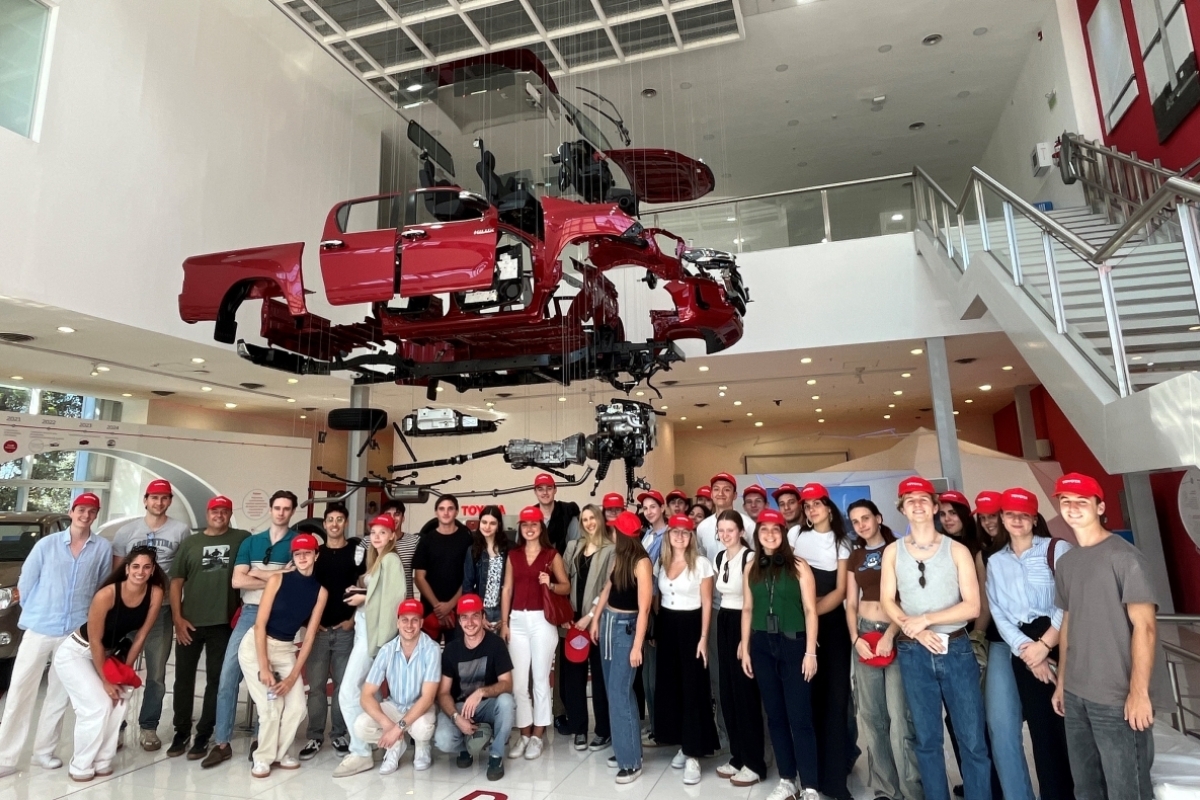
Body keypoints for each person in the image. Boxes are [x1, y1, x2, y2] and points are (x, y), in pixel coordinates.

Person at [1051, 472, 1167, 800]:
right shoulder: (1068, 562)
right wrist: (1062, 682)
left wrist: (1139, 693)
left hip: (1116, 697)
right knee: (1086, 788)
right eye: (1066, 502)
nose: (1073, 508)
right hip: (1076, 694)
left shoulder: (1125, 558)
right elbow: (1069, 622)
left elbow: (1145, 627)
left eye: (1081, 502)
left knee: (1126, 790)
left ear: (1100, 507)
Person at [881, 476, 991, 800]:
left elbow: (972, 606)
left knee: (972, 740)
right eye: (909, 499)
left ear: (934, 506)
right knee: (927, 741)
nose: (916, 503)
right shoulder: (892, 552)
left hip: (956, 649)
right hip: (914, 653)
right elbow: (889, 599)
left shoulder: (957, 551)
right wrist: (914, 628)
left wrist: (926, 619)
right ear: (902, 508)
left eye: (923, 498)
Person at [0, 492, 112, 778]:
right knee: (20, 691)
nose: (85, 515)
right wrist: (39, 609)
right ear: (72, 511)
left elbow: (100, 586)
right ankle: (6, 757)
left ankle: (43, 752)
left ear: (96, 515)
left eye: (91, 511)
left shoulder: (102, 548)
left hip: (74, 632)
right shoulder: (46, 545)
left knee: (59, 694)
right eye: (81, 510)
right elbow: (26, 581)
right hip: (40, 627)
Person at [986, 488, 1074, 800]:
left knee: (1070, 726)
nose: (1017, 520)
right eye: (1011, 514)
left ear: (1034, 518)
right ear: (1002, 518)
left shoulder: (1056, 548)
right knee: (1041, 729)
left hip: (1059, 638)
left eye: (1024, 515)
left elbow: (1068, 600)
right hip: (1023, 648)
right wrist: (1028, 652)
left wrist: (1045, 646)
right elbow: (998, 611)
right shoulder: (995, 562)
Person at [203, 489, 299, 768]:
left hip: (278, 618)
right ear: (270, 509)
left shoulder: (297, 543)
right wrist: (277, 577)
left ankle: (262, 740)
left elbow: (293, 587)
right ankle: (222, 743)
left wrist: (257, 573)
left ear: (292, 512)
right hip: (249, 614)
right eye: (277, 507)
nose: (281, 512)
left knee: (268, 680)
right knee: (227, 677)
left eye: (286, 508)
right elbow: (237, 581)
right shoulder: (251, 541)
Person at [54, 546, 166, 781]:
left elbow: (142, 636)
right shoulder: (107, 594)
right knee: (97, 706)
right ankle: (80, 765)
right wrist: (106, 680)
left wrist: (124, 672)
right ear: (126, 569)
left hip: (110, 655)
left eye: (146, 567)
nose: (140, 571)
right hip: (77, 652)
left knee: (119, 701)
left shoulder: (155, 593)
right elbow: (95, 640)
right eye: (135, 566)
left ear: (153, 569)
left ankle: (103, 760)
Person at [740, 508, 821, 800]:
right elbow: (747, 608)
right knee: (774, 716)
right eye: (764, 531)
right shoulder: (752, 567)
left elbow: (811, 611)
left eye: (776, 530)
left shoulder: (798, 565)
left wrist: (810, 652)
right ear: (757, 535)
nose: (770, 535)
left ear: (783, 533)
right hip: (762, 645)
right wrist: (744, 645)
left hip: (794, 644)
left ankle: (809, 784)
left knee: (800, 716)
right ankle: (788, 779)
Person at [846, 499, 922, 800]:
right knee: (872, 716)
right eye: (855, 521)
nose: (862, 524)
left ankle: (911, 790)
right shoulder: (856, 556)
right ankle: (885, 789)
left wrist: (892, 632)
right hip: (864, 635)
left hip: (897, 635)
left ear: (878, 518)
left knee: (899, 717)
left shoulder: (899, 550)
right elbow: (851, 602)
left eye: (866, 518)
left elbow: (908, 598)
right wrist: (855, 638)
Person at [110, 478, 192, 751]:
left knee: (156, 674)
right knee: (121, 669)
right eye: (154, 497)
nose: (159, 502)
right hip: (130, 612)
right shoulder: (126, 531)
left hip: (163, 612)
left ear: (169, 501)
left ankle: (148, 727)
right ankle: (116, 727)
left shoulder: (181, 531)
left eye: (164, 498)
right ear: (145, 500)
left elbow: (182, 573)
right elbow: (117, 572)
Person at [237, 533, 327, 778]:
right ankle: (263, 758)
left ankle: (279, 753)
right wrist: (264, 666)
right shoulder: (278, 580)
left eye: (307, 553)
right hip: (257, 648)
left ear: (316, 555)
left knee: (297, 707)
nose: (302, 558)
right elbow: (259, 625)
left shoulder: (320, 592)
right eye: (298, 554)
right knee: (271, 707)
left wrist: (292, 677)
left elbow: (308, 637)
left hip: (286, 650)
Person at [167, 496, 250, 760]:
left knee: (217, 680)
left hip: (224, 624)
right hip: (189, 623)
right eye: (215, 510)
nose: (220, 515)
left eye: (225, 511)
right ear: (208, 513)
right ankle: (181, 731)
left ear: (230, 514)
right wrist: (177, 619)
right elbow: (176, 583)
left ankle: (204, 733)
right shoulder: (191, 542)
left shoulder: (241, 538)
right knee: (183, 679)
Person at [789, 483, 853, 800]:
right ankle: (810, 775)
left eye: (818, 504)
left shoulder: (842, 542)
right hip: (802, 630)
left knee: (835, 702)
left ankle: (835, 779)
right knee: (809, 701)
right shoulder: (796, 538)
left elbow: (840, 591)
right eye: (808, 505)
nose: (812, 509)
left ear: (829, 508)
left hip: (832, 628)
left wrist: (811, 612)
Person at [333, 514, 408, 777]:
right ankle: (380, 742)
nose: (376, 536)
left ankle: (360, 751)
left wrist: (361, 597)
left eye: (382, 532)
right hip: (365, 631)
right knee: (372, 695)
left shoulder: (390, 560)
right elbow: (378, 594)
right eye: (373, 532)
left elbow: (392, 602)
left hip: (373, 636)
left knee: (348, 691)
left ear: (392, 535)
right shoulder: (378, 560)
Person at [654, 514, 719, 785]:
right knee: (672, 687)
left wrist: (704, 637)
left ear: (691, 536)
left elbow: (706, 603)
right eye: (675, 532)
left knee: (694, 688)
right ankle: (682, 742)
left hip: (692, 626)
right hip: (667, 626)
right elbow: (658, 599)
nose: (680, 536)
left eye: (685, 532)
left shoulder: (702, 564)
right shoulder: (662, 561)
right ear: (668, 535)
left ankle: (694, 753)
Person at [501, 506, 569, 760]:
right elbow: (507, 590)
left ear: (541, 528)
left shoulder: (552, 555)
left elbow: (566, 587)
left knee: (540, 680)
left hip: (542, 621)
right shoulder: (514, 555)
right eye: (525, 525)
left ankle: (538, 734)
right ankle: (524, 733)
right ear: (520, 528)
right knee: (519, 683)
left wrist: (549, 583)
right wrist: (505, 623)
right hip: (517, 620)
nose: (529, 529)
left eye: (534, 525)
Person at [590, 511, 653, 784]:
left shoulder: (641, 563)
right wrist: (595, 619)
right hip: (608, 623)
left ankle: (631, 761)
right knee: (614, 691)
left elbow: (645, 608)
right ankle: (625, 747)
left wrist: (637, 645)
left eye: (615, 531)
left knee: (619, 692)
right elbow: (607, 589)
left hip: (626, 629)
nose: (612, 534)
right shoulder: (619, 558)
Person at [299, 503, 363, 761]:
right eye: (330, 520)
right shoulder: (316, 554)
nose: (334, 524)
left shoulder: (356, 553)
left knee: (342, 686)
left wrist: (352, 621)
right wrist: (308, 623)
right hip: (318, 632)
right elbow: (303, 589)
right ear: (323, 525)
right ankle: (314, 736)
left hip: (345, 630)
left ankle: (339, 733)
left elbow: (362, 588)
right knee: (315, 687)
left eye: (339, 519)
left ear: (345, 523)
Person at [696, 472, 752, 753]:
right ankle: (727, 738)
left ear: (734, 494)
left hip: (744, 613)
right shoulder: (704, 528)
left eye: (726, 489)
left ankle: (752, 746)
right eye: (715, 488)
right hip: (718, 612)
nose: (720, 493)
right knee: (721, 679)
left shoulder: (750, 525)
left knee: (745, 680)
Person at [352, 598, 441, 775]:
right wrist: (387, 725)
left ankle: (422, 746)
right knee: (361, 725)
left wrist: (397, 727)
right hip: (395, 705)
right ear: (398, 622)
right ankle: (395, 745)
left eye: (415, 620)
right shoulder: (387, 650)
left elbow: (428, 698)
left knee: (423, 729)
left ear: (421, 622)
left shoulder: (432, 649)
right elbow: (366, 695)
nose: (409, 625)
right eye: (405, 620)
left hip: (420, 708)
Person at [434, 593, 516, 782]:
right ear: (459, 620)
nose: (470, 622)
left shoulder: (496, 644)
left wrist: (481, 692)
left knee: (506, 702)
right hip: (461, 708)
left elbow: (507, 683)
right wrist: (456, 718)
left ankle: (496, 756)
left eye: (475, 615)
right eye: (464, 617)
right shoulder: (451, 650)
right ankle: (466, 748)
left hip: (486, 706)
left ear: (483, 617)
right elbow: (443, 692)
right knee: (443, 740)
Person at [712, 510, 765, 787]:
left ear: (742, 532)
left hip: (745, 625)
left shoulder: (750, 557)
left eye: (730, 530)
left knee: (745, 695)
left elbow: (752, 601)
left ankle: (754, 762)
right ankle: (737, 756)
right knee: (728, 692)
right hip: (724, 621)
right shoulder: (720, 557)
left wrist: (745, 641)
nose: (725, 535)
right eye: (721, 530)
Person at [562, 503, 614, 750]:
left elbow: (608, 586)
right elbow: (562, 581)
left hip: (597, 622)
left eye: (592, 518)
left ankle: (603, 730)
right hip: (572, 622)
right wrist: (564, 613)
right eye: (584, 519)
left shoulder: (610, 550)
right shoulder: (573, 548)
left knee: (600, 679)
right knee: (573, 678)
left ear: (600, 520)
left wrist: (591, 616)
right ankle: (579, 728)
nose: (589, 523)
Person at [413, 495, 473, 642]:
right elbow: (419, 577)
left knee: (456, 658)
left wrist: (450, 606)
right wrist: (438, 608)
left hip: (459, 611)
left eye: (450, 508)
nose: (446, 513)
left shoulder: (466, 539)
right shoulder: (426, 540)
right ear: (436, 512)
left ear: (457, 512)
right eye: (441, 509)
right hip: (430, 610)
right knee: (428, 658)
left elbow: (469, 577)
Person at [637, 489, 669, 744]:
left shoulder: (668, 536)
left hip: (659, 608)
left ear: (662, 508)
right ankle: (656, 726)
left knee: (657, 675)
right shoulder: (647, 535)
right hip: (644, 607)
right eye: (645, 508)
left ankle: (661, 728)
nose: (649, 511)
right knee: (648, 674)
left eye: (653, 507)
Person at [462, 506, 510, 629]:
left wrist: (507, 617)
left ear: (498, 525)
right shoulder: (473, 550)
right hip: (482, 611)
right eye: (484, 522)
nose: (487, 527)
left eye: (492, 523)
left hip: (504, 610)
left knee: (503, 647)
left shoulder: (509, 549)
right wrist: (477, 615)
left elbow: (514, 586)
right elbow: (467, 586)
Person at [533, 473, 581, 555]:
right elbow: (521, 548)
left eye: (549, 488)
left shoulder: (567, 514)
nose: (545, 492)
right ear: (535, 492)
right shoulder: (529, 517)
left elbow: (577, 549)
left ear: (555, 490)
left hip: (563, 565)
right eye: (540, 489)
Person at [382, 499, 419, 601]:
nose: (392, 518)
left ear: (403, 518)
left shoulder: (415, 541)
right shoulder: (370, 542)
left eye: (397, 514)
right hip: (380, 605)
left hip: (406, 606)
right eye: (388, 514)